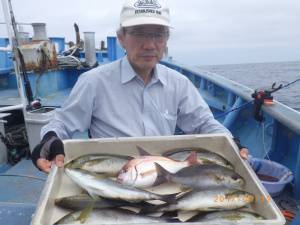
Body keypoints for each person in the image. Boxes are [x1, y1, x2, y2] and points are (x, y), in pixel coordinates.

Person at [32, 0, 248, 173]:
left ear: (166, 39)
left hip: (164, 172)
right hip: (113, 174)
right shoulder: (94, 82)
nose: (149, 44)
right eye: (139, 33)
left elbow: (204, 124)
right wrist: (49, 142)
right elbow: (62, 123)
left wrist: (232, 143)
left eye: (158, 34)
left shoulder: (179, 83)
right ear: (121, 38)